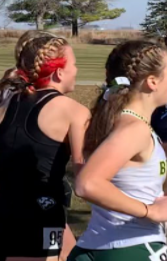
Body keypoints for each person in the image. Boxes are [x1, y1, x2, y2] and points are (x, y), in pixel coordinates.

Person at [0, 31, 89, 261]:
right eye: (74, 64)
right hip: (38, 217)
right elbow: (84, 176)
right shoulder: (73, 111)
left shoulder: (3, 107)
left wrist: (9, 176)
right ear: (59, 72)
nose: (76, 70)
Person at [69, 41, 167, 261]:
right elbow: (87, 184)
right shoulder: (135, 129)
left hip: (101, 246)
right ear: (152, 81)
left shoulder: (113, 121)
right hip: (132, 248)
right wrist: (149, 211)